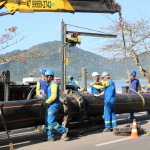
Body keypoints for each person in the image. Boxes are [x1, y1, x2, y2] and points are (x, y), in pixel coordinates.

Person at [42, 69, 68, 141]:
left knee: (51, 121)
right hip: (50, 105)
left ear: (50, 77)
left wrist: (46, 102)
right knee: (47, 122)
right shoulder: (50, 84)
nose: (45, 78)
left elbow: (54, 96)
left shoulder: (54, 84)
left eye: (46, 77)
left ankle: (64, 130)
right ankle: (50, 136)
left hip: (53, 106)